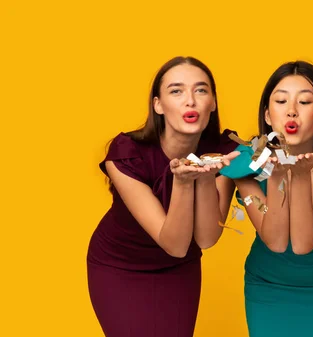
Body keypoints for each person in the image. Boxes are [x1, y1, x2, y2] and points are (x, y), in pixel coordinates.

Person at [86, 56, 240, 337]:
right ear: (158, 105)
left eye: (201, 90)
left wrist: (205, 176)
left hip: (179, 268)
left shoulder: (227, 151)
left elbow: (206, 239)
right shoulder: (125, 153)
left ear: (213, 102)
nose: (190, 100)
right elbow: (174, 243)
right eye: (176, 91)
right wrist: (182, 181)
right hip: (119, 266)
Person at [219, 61, 313, 337]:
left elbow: (303, 243)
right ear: (267, 114)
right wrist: (279, 172)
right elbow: (276, 241)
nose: (291, 110)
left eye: (304, 101)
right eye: (280, 100)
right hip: (267, 287)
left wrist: (299, 177)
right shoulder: (244, 164)